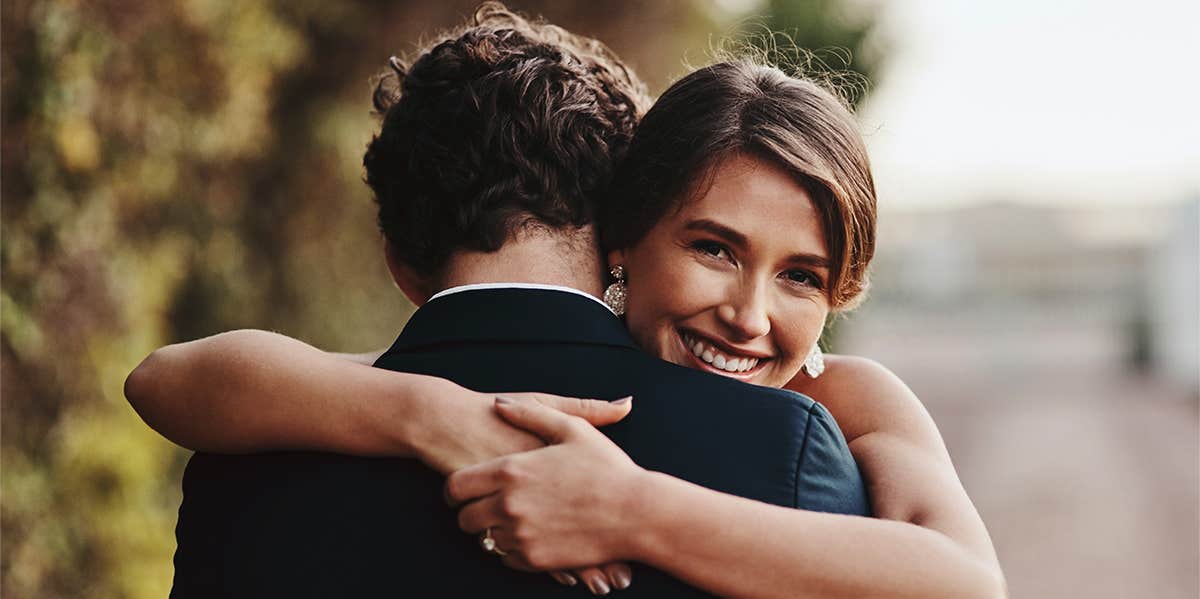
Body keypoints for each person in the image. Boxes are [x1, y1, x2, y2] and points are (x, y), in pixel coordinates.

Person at [131, 5, 879, 599]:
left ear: (398, 261)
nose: (748, 315)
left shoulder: (244, 456)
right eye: (715, 249)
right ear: (623, 230)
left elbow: (162, 377)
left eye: (801, 275)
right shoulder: (795, 452)